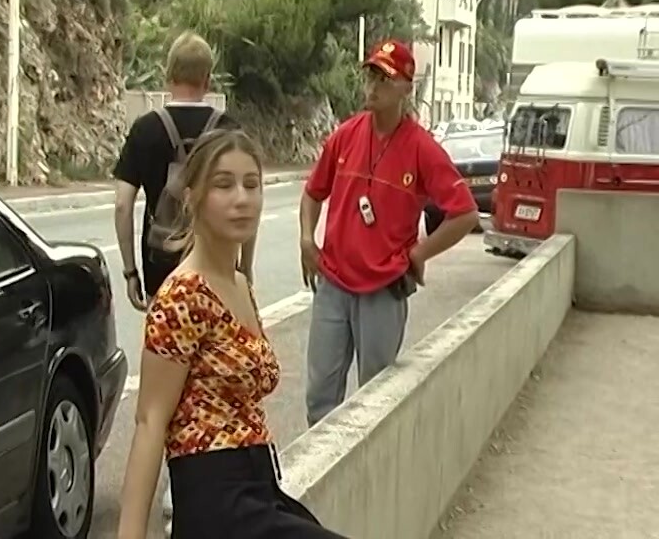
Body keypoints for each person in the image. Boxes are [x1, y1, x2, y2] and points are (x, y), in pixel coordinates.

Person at [117, 129, 347, 539]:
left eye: (251, 184)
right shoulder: (183, 295)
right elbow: (150, 421)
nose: (242, 198)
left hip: (260, 489)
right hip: (216, 501)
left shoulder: (239, 283)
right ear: (193, 198)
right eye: (223, 185)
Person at [299, 39, 479, 427]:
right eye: (371, 76)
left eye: (385, 79)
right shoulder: (345, 136)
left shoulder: (422, 148)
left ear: (406, 88)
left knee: (373, 401)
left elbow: (464, 213)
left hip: (383, 290)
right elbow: (313, 193)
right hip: (333, 284)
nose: (373, 86)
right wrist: (306, 239)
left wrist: (420, 252)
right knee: (319, 397)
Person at [114, 30, 255, 313]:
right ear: (208, 79)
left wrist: (131, 272)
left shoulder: (145, 129)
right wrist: (245, 268)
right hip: (218, 263)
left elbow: (122, 205)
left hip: (160, 267)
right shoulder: (228, 130)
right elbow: (247, 204)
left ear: (168, 76)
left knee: (167, 337)